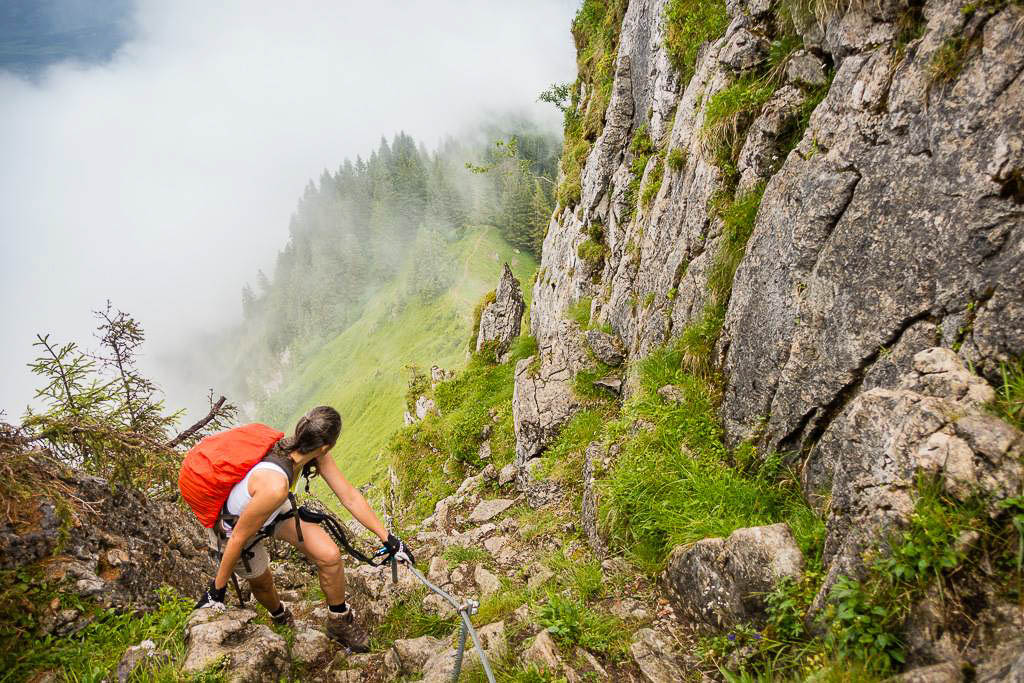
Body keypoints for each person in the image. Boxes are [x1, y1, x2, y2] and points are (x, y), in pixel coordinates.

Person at [191, 406, 413, 652]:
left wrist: (389, 538)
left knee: (329, 556)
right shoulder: (275, 484)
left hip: (272, 509)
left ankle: (339, 621)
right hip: (235, 527)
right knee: (262, 583)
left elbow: (348, 495)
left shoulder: (310, 452)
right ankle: (279, 614)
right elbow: (239, 536)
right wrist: (216, 591)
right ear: (327, 445)